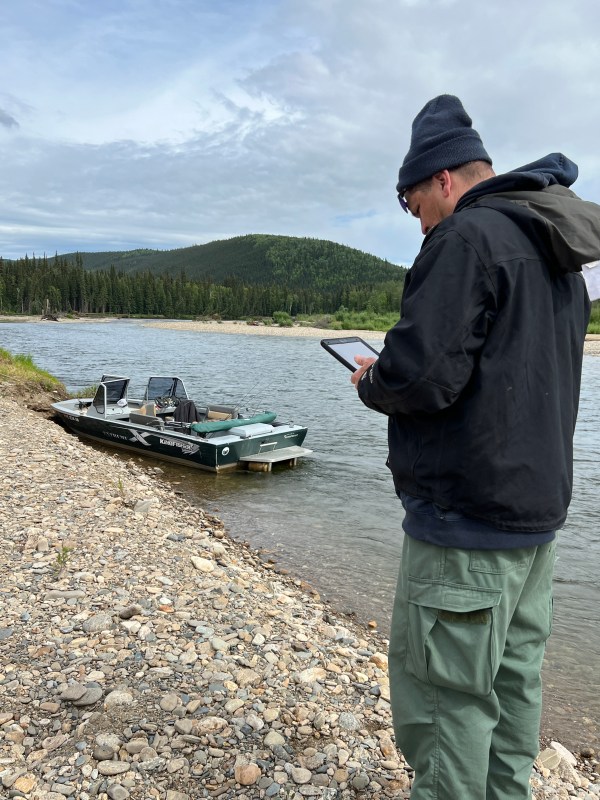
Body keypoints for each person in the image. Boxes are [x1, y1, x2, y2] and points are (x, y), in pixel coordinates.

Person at [350, 94, 600, 800]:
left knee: (445, 706)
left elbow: (423, 375)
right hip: (536, 523)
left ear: (444, 181)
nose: (417, 221)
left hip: (464, 527)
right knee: (514, 693)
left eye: (412, 204)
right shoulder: (554, 244)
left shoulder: (465, 239)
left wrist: (373, 381)